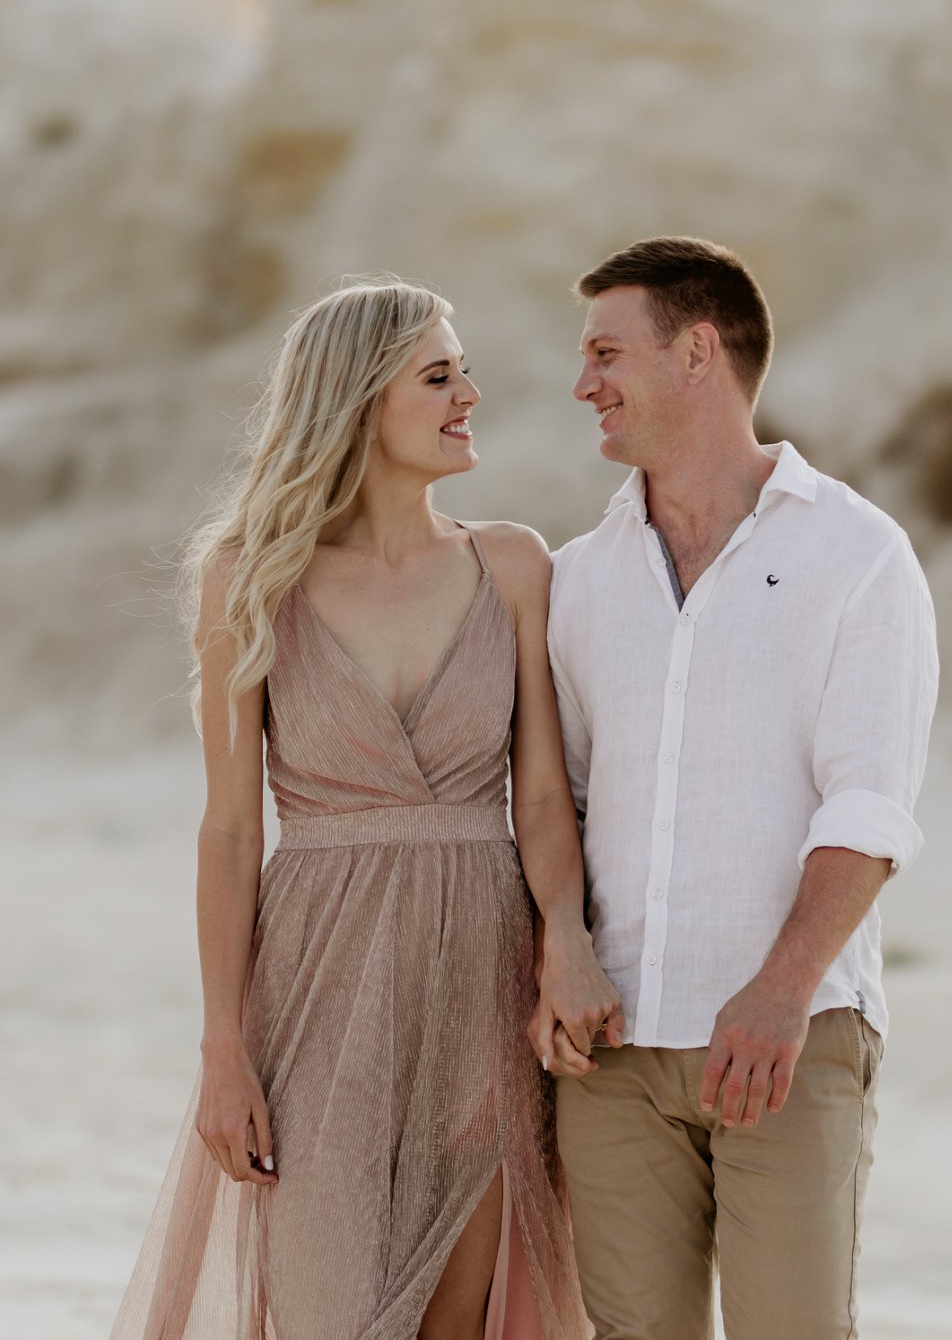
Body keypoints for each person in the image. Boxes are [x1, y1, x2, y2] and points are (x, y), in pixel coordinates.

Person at [110, 277, 620, 1340]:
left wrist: (566, 942)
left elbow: (540, 795)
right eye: (438, 376)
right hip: (317, 988)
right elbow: (230, 829)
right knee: (329, 1309)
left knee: (453, 1316)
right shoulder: (251, 578)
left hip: (482, 985)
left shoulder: (511, 563)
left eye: (465, 371)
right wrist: (222, 1046)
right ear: (356, 400)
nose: (469, 394)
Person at [539, 236, 939, 1340]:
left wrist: (781, 988)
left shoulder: (859, 554)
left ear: (697, 351)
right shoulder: (579, 576)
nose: (583, 384)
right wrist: (558, 950)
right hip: (613, 1052)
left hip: (791, 1031)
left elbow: (869, 804)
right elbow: (559, 800)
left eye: (606, 353)